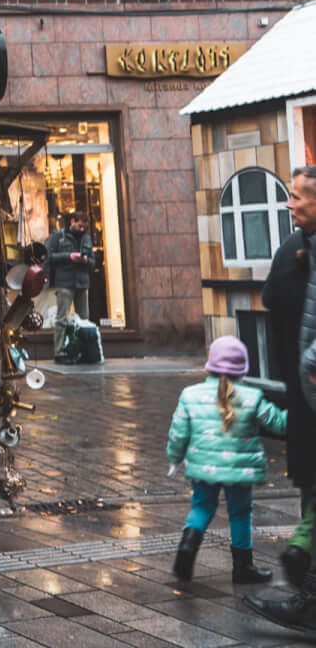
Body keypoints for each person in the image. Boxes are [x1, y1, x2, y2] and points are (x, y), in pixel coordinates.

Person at [244, 165, 316, 632]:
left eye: (298, 197)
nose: (290, 204)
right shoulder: (298, 246)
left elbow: (274, 300)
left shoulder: (297, 249)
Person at [166, 335, 286, 584]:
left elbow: (178, 432)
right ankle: (243, 568)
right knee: (240, 513)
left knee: (201, 507)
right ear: (242, 368)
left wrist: (175, 458)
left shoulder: (190, 394)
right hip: (238, 471)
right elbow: (278, 423)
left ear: (210, 363)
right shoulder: (252, 397)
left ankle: (187, 549)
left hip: (203, 468)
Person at [48, 211, 94, 358]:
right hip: (65, 283)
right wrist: (69, 256)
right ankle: (59, 352)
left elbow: (93, 261)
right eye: (80, 226)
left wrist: (87, 260)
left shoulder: (86, 238)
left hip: (82, 283)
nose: (82, 230)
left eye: (84, 227)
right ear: (72, 221)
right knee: (62, 319)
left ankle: (84, 351)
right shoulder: (58, 236)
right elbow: (49, 256)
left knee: (84, 320)